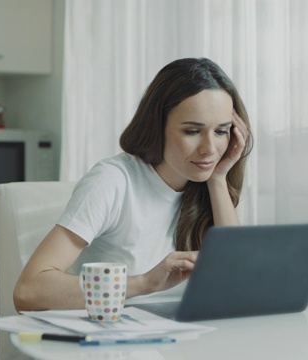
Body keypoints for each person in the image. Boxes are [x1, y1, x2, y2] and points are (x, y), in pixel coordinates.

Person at [14, 57, 253, 311]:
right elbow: (29, 290)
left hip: (175, 339)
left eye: (221, 131)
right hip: (108, 341)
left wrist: (217, 180)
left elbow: (234, 282)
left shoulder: (204, 186)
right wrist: (145, 283)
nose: (209, 149)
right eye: (192, 131)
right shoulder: (112, 181)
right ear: (157, 126)